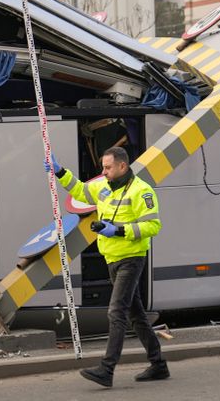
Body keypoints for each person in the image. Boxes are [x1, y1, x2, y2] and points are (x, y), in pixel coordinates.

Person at [45, 146, 169, 388]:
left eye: (108, 167)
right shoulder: (102, 185)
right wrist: (60, 172)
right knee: (136, 315)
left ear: (122, 166)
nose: (103, 171)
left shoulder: (141, 191)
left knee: (116, 312)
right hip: (111, 258)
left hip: (131, 259)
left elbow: (153, 226)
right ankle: (159, 364)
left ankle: (107, 369)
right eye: (103, 167)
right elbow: (81, 191)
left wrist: (119, 230)